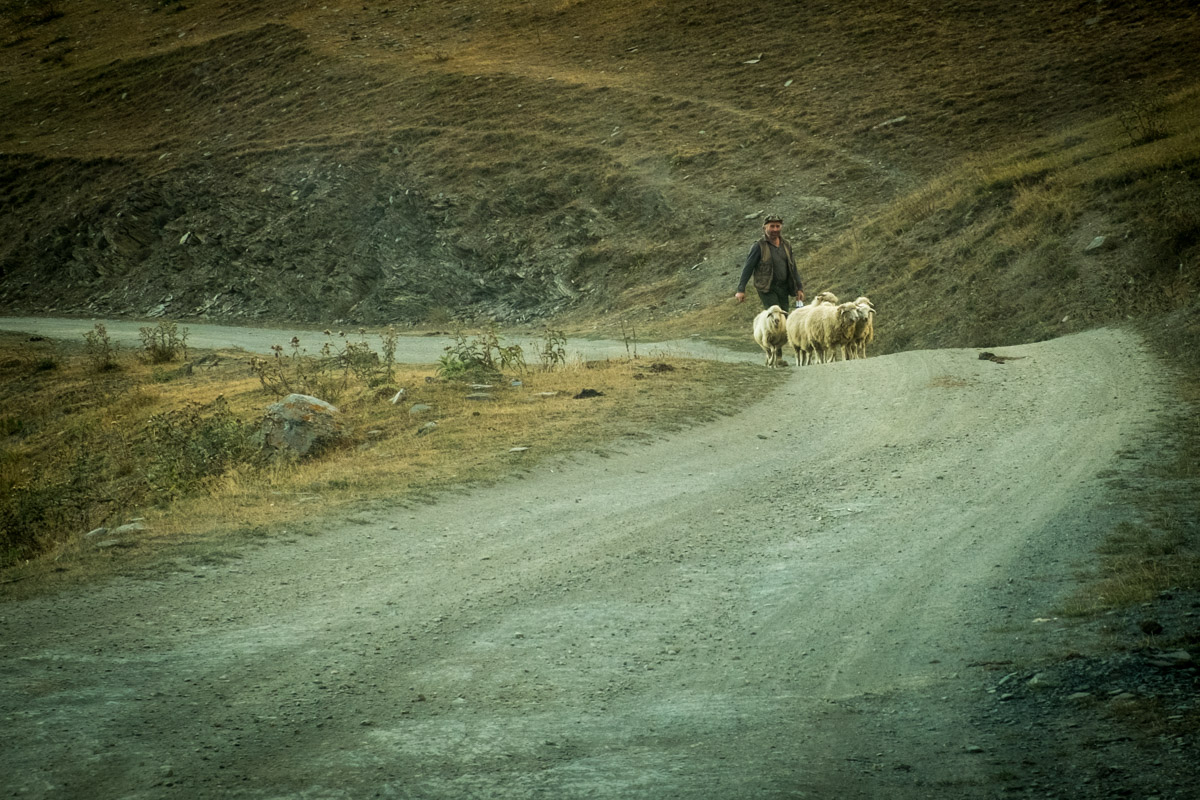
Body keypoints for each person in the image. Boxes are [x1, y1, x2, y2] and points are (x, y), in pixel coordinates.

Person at [734, 214, 805, 310]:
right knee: (776, 314)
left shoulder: (786, 245)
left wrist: (799, 288)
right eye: (772, 226)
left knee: (784, 315)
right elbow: (748, 268)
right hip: (767, 288)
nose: (775, 229)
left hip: (783, 287)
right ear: (764, 228)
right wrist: (741, 290)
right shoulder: (759, 246)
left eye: (777, 226)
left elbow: (793, 267)